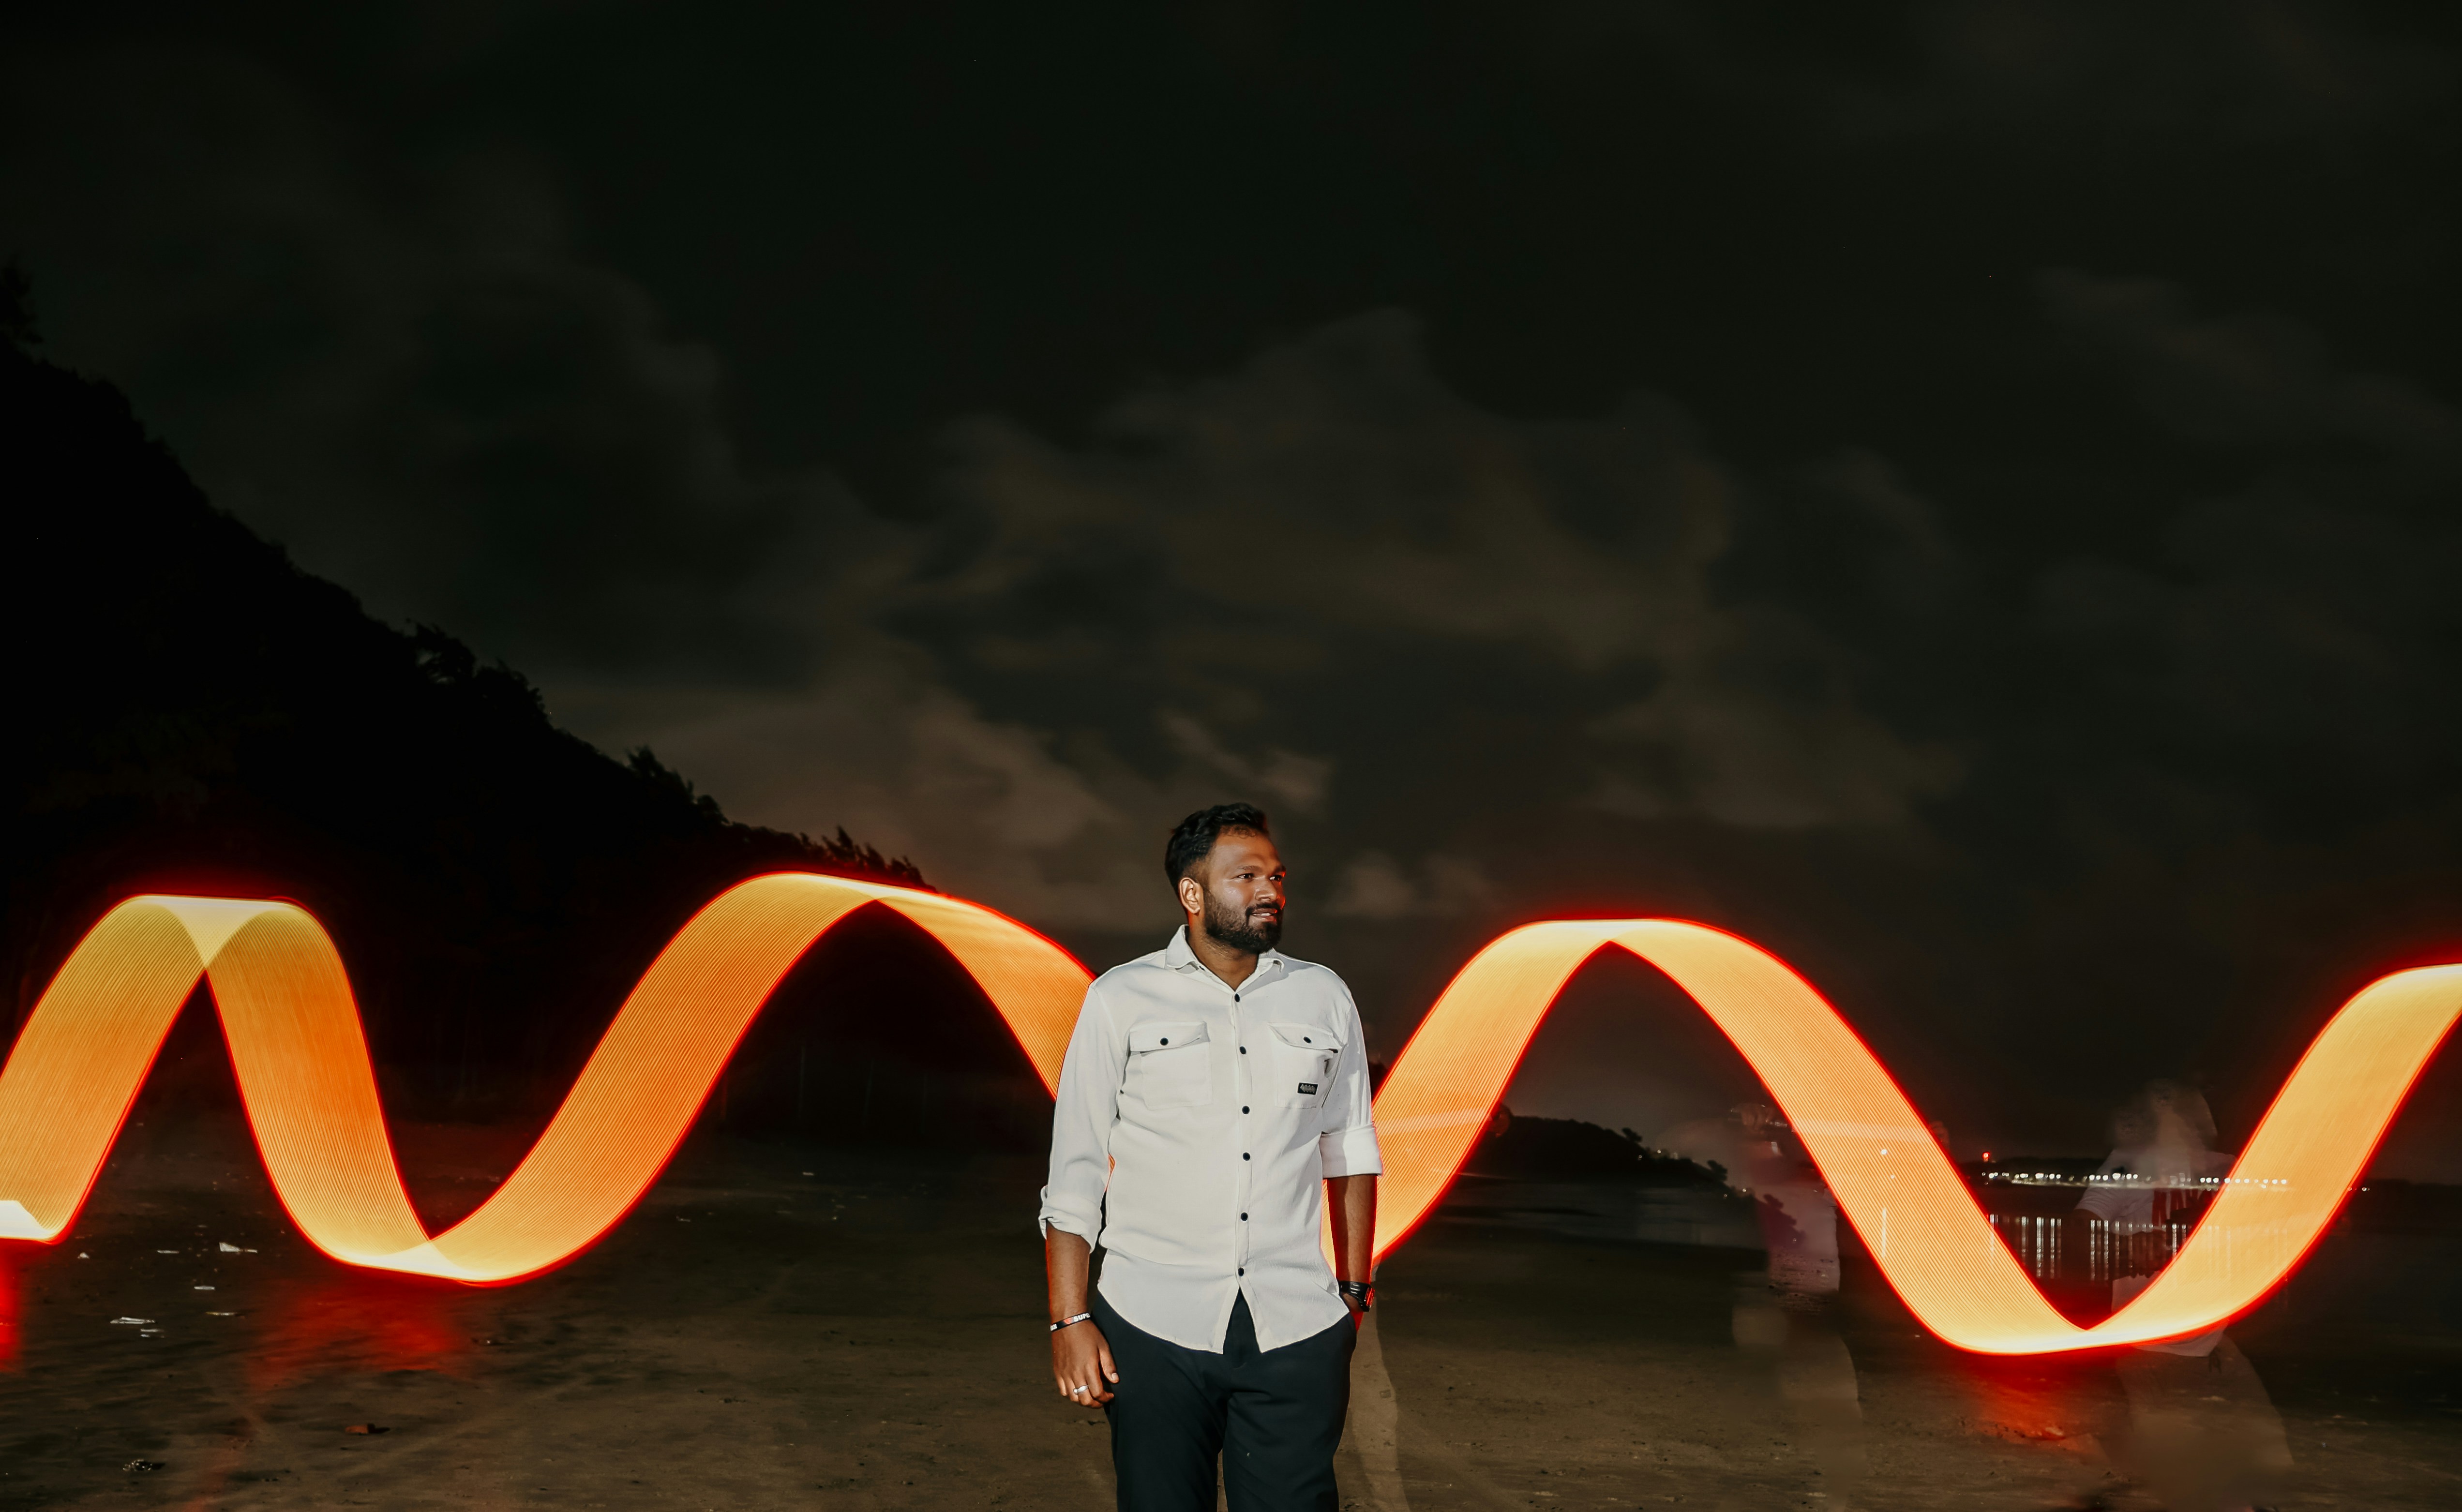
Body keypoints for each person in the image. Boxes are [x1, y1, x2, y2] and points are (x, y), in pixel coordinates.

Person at [1039, 803, 1381, 1512]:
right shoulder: (1120, 998)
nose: (1271, 891)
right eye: (1247, 875)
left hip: (1296, 1326)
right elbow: (1074, 1170)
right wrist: (1069, 1321)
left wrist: (1352, 1293)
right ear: (1192, 894)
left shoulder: (1324, 995)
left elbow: (1349, 1149)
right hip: (1149, 1325)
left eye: (1277, 876)